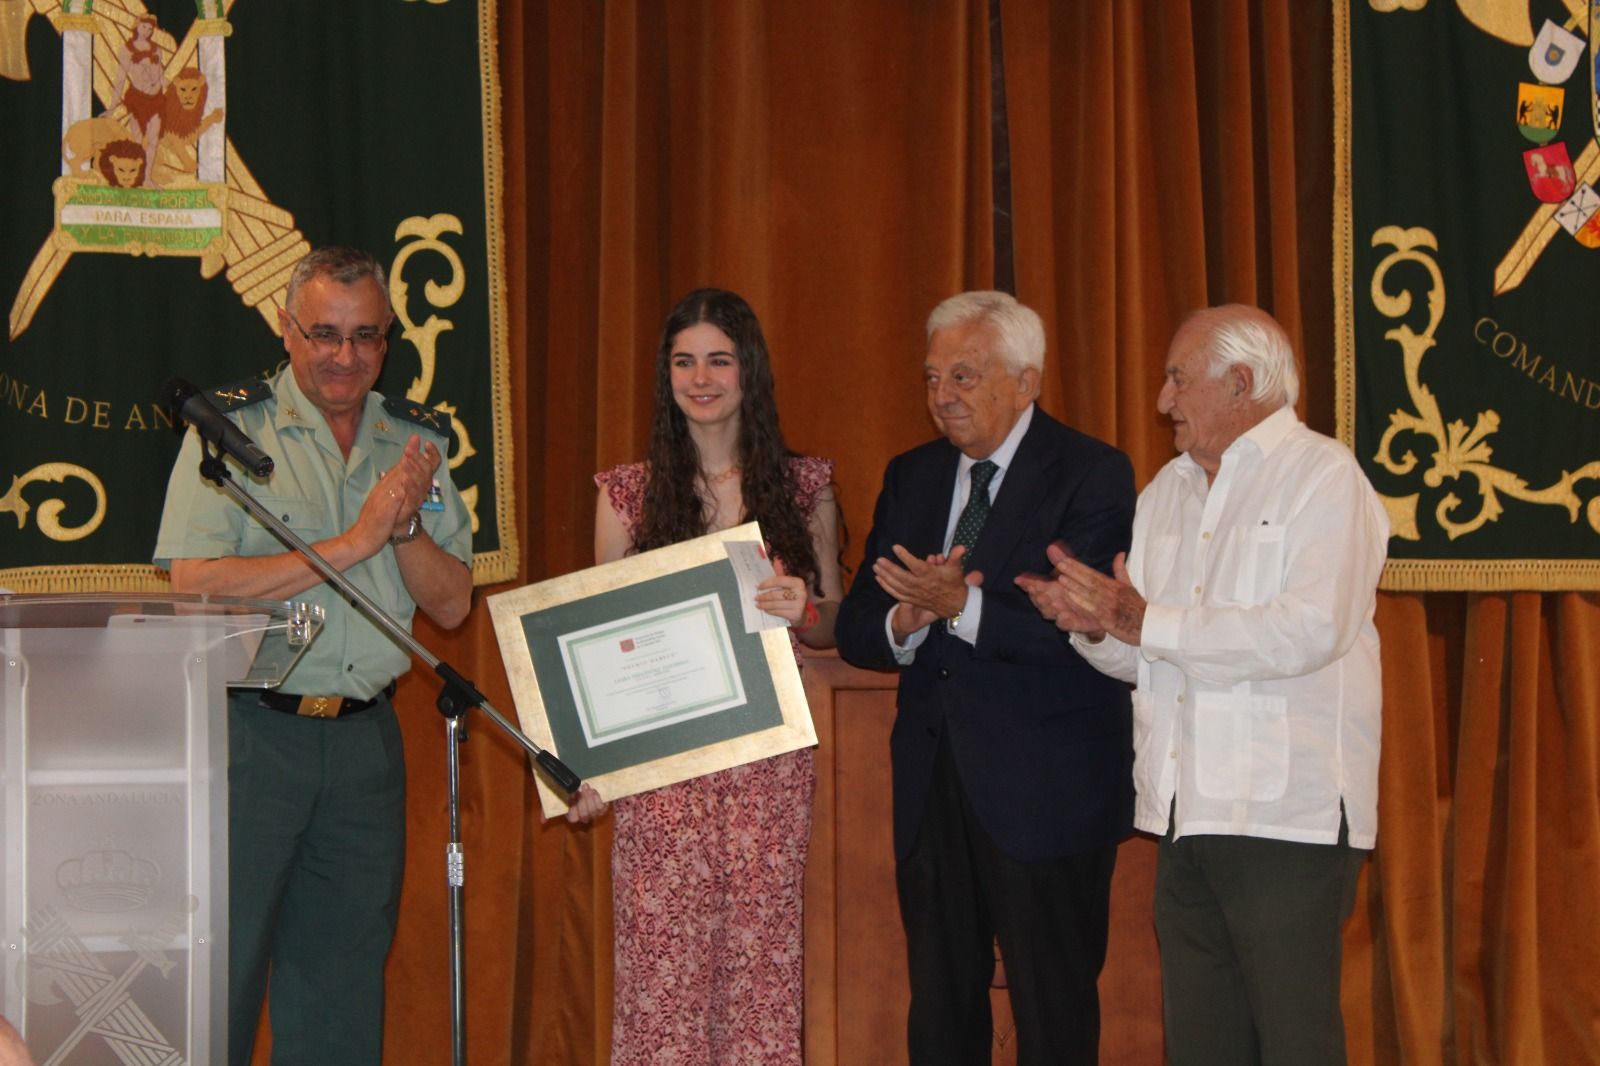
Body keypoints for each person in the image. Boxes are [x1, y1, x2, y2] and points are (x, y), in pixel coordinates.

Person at [1018, 304, 1387, 1066]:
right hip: (1186, 815)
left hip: (1288, 818)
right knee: (1202, 1047)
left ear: (1242, 382)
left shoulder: (1324, 477)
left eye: (1178, 379)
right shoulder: (1165, 494)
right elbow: (1149, 654)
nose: (1162, 401)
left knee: (1294, 1045)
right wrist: (1093, 628)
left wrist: (1143, 621)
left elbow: (1308, 630)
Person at [153, 246, 473, 1066]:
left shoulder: (414, 445)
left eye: (365, 337)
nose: (344, 356)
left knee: (338, 993)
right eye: (324, 334)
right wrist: (353, 540)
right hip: (252, 740)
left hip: (364, 746)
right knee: (217, 985)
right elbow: (193, 582)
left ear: (388, 338)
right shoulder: (228, 432)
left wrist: (400, 531)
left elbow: (451, 604)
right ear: (287, 330)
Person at [834, 290, 1136, 1065]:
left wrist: (958, 605)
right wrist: (907, 619)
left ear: (1026, 381)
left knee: (1053, 1012)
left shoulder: (1093, 474)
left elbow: (1079, 628)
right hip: (933, 785)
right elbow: (859, 621)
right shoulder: (914, 475)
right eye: (933, 379)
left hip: (1050, 791)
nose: (942, 397)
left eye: (964, 377)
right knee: (940, 1008)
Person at [562, 287, 842, 1065]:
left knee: (761, 982)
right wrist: (594, 770)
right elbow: (601, 651)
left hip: (770, 777)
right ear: (667, 376)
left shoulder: (807, 486)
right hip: (666, 783)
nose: (702, 377)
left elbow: (836, 626)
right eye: (684, 361)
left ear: (748, 370)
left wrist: (808, 610)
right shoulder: (626, 494)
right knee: (663, 987)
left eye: (719, 358)